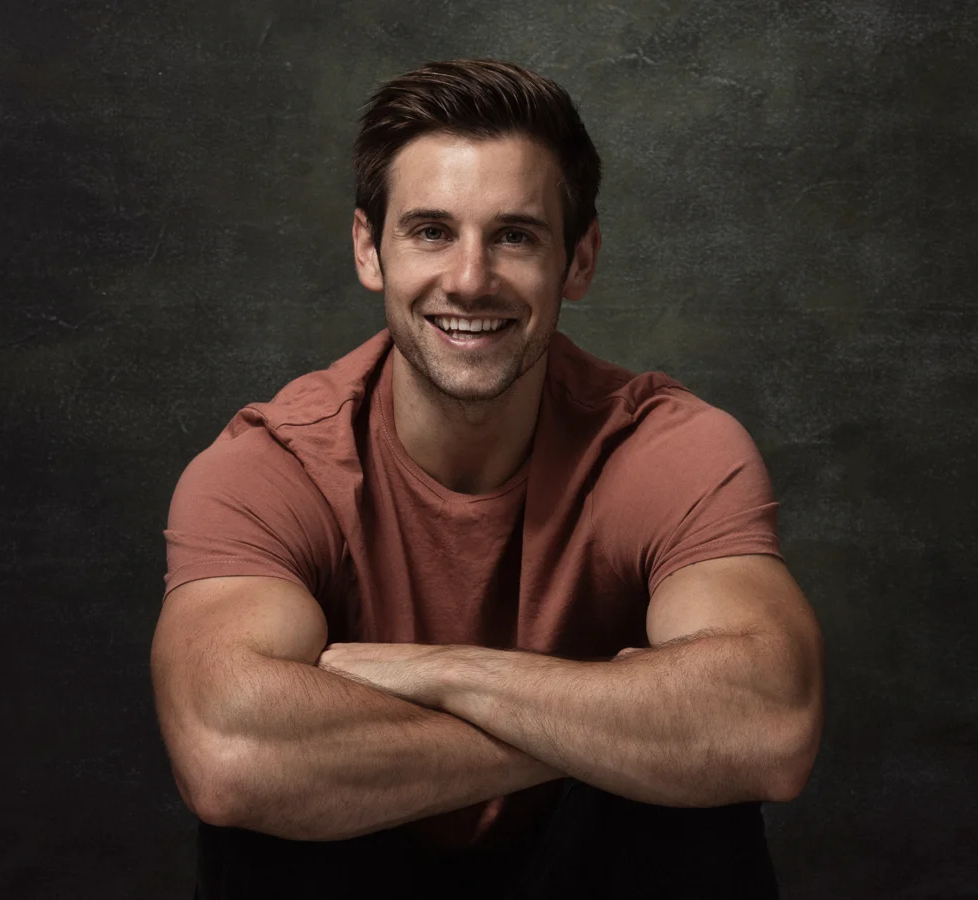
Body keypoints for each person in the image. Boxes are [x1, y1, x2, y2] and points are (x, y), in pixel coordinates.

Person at [150, 59, 824, 900]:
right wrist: (613, 730)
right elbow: (229, 753)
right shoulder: (269, 468)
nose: (470, 279)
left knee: (683, 802)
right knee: (279, 809)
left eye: (514, 235)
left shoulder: (665, 446)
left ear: (578, 260)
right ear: (370, 249)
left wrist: (438, 673)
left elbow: (768, 721)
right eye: (432, 231)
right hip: (364, 868)